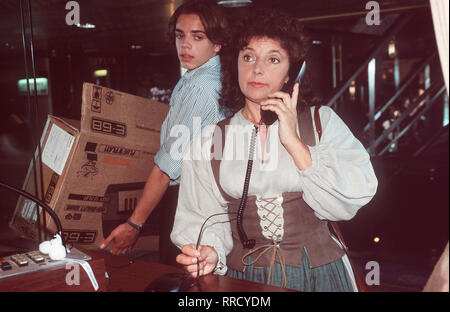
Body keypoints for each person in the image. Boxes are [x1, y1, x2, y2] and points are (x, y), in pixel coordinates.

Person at [171, 9, 378, 291]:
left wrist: (295, 142)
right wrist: (209, 252)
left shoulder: (322, 123)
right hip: (244, 280)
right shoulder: (210, 140)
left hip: (321, 276)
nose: (257, 69)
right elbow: (201, 215)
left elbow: (352, 197)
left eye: (273, 59)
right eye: (248, 57)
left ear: (291, 73)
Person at [99, 0, 230, 266]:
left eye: (198, 37)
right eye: (180, 35)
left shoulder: (200, 89)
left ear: (217, 44)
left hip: (193, 202)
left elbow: (166, 168)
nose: (185, 45)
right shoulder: (199, 78)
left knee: (182, 279)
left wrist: (134, 224)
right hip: (206, 200)